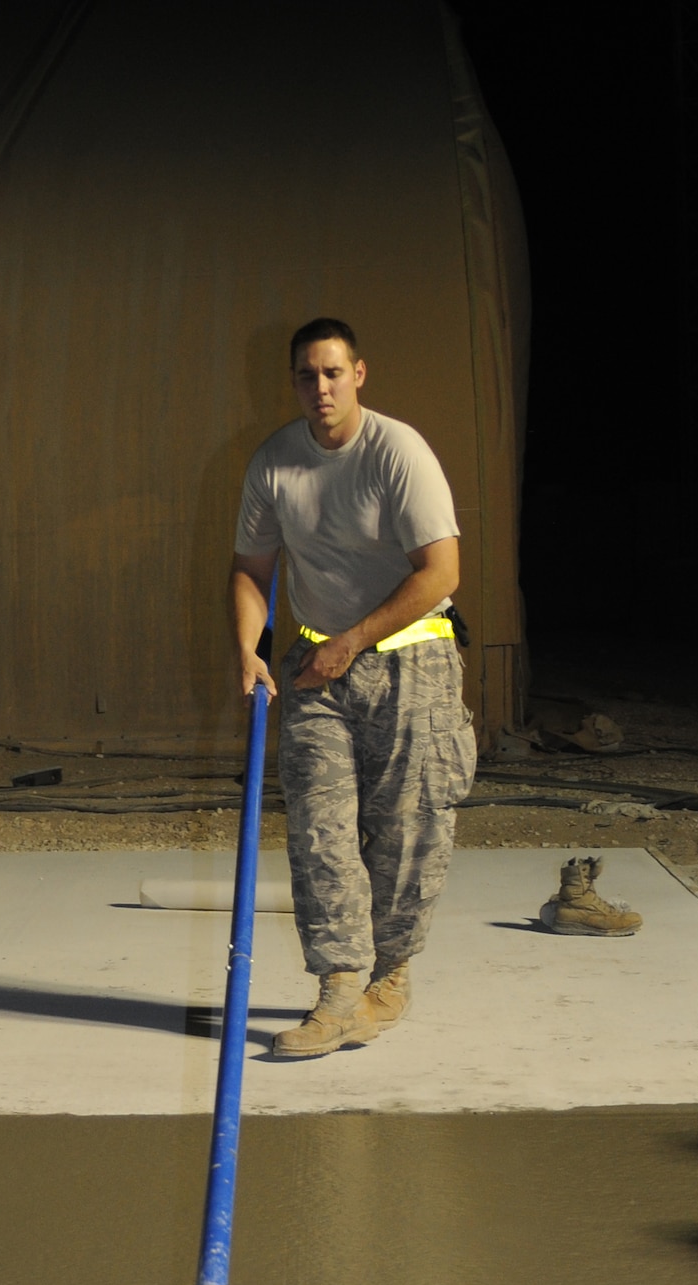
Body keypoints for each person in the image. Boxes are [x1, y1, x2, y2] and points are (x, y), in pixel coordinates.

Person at [230, 316, 477, 1058]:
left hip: (412, 662)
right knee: (320, 829)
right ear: (295, 383)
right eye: (307, 376)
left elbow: (441, 572)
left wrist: (352, 641)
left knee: (408, 832)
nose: (320, 388)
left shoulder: (395, 452)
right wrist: (248, 646)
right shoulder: (274, 461)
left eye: (333, 373)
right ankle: (339, 988)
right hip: (315, 666)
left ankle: (389, 980)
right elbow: (251, 568)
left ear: (358, 374)